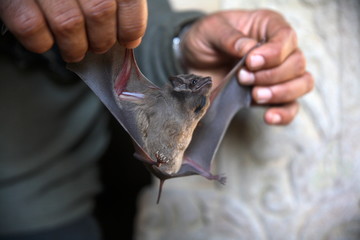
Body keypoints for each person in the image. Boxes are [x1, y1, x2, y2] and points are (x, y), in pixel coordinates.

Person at [0, 0, 313, 239]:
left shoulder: (175, 102)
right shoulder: (166, 101)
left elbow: (126, 19)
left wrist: (178, 45)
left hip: (46, 201)